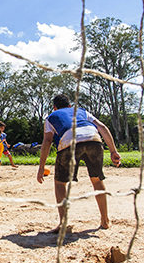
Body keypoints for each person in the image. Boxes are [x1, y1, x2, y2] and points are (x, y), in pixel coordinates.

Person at [36, 94, 121, 232]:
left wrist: (41, 167)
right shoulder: (81, 111)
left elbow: (47, 141)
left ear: (54, 108)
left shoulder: (51, 117)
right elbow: (102, 127)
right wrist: (113, 151)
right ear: (70, 106)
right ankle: (105, 220)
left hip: (69, 141)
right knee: (97, 180)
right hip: (93, 139)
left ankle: (64, 223)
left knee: (60, 183)